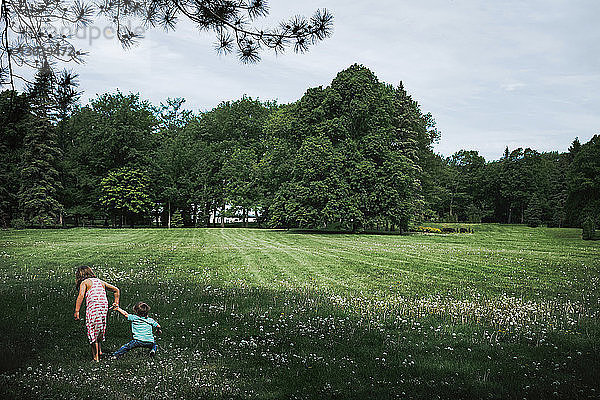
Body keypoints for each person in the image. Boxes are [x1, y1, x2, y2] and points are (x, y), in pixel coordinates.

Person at [73, 265, 120, 362]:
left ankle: (96, 358)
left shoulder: (85, 282)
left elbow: (81, 295)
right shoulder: (100, 281)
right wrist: (116, 303)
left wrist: (77, 311)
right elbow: (116, 290)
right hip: (103, 307)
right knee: (99, 328)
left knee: (92, 330)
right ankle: (100, 352)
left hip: (94, 307)